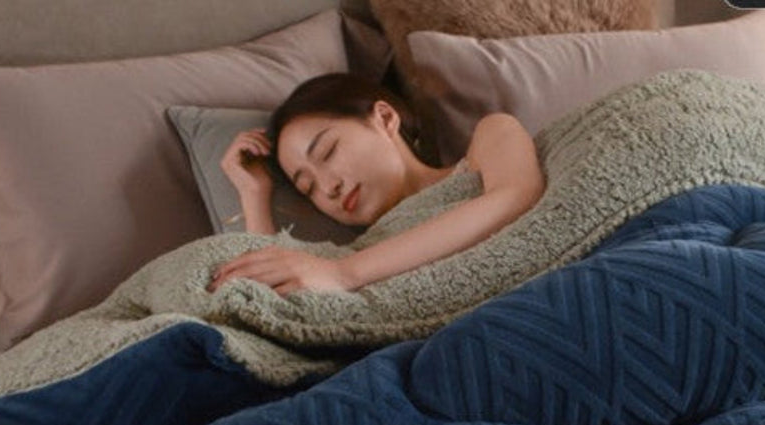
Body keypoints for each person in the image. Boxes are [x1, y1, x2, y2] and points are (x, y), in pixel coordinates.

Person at [208, 73, 544, 295]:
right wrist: (254, 193)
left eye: (328, 151)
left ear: (384, 118)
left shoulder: (489, 138)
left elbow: (516, 194)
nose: (328, 188)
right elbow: (269, 301)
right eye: (307, 188)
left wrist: (342, 273)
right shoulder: (360, 253)